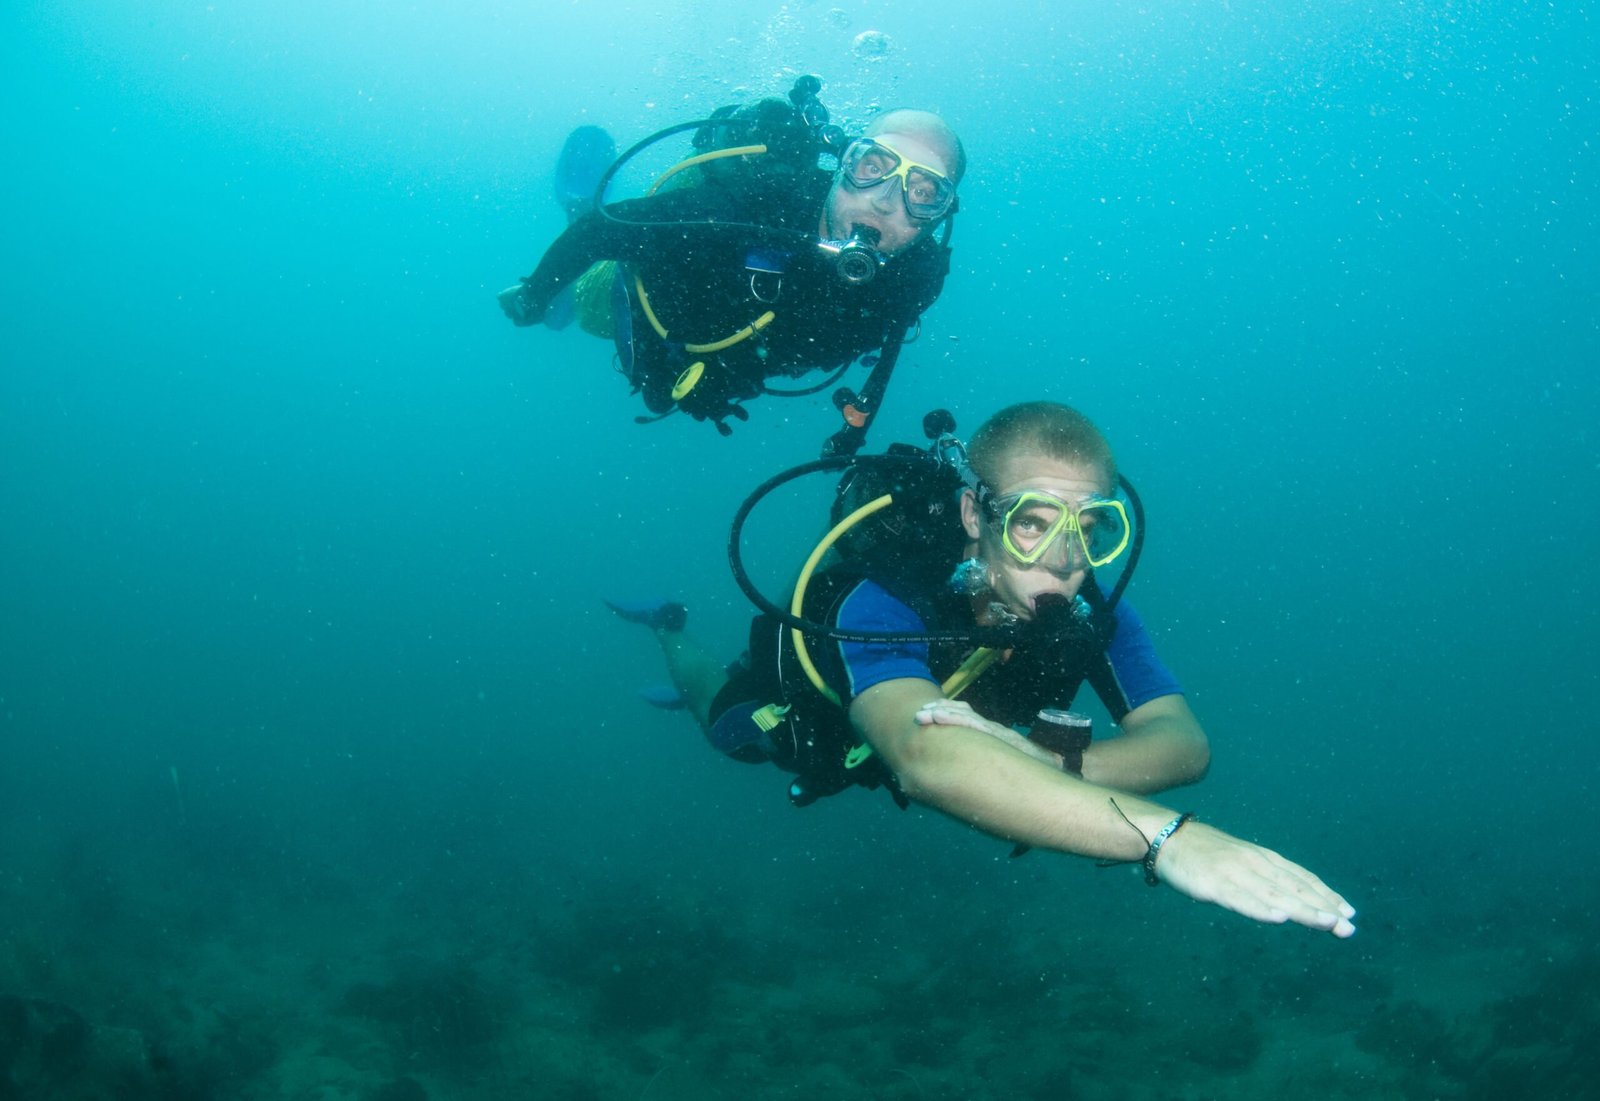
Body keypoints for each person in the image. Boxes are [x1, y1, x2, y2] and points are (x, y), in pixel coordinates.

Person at [609, 401, 1357, 937]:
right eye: (1034, 520)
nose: (1065, 557)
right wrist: (1166, 836)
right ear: (976, 516)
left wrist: (1046, 761)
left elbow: (1183, 742)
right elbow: (925, 758)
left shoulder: (1096, 610)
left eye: (1090, 526)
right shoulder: (883, 596)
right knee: (730, 730)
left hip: (964, 744)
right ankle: (670, 630)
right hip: (811, 714)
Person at [497, 77, 963, 451]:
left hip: (737, 346)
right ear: (844, 164)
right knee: (585, 308)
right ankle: (574, 215)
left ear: (940, 216)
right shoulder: (753, 207)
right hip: (650, 292)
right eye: (874, 166)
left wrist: (736, 374)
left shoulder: (917, 277)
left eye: (924, 192)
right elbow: (600, 232)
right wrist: (534, 295)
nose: (885, 202)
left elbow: (837, 350)